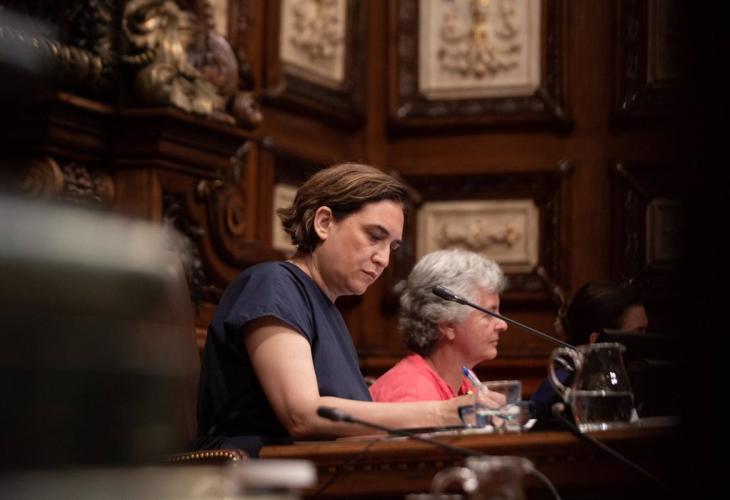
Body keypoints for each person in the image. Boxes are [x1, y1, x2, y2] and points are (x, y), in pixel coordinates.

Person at [194, 163, 470, 456]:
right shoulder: (272, 284)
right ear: (324, 222)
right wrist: (443, 413)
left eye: (392, 247)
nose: (384, 259)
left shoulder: (329, 311)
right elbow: (302, 415)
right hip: (252, 473)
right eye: (375, 236)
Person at [370, 249, 509, 404]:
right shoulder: (412, 393)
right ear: (448, 323)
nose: (503, 325)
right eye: (488, 314)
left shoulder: (465, 380)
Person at [530, 281, 648, 425]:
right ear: (597, 341)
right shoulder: (561, 387)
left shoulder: (636, 377)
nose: (648, 341)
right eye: (638, 332)